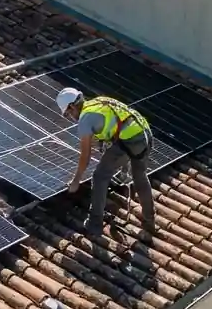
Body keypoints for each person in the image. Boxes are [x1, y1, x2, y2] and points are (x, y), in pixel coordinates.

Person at [55, 87, 156, 240]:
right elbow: (114, 123)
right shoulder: (98, 102)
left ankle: (94, 224)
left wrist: (76, 180)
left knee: (100, 176)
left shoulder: (85, 119)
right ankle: (149, 219)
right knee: (139, 175)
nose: (71, 116)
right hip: (145, 132)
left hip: (130, 140)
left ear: (72, 106)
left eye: (68, 113)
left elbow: (86, 155)